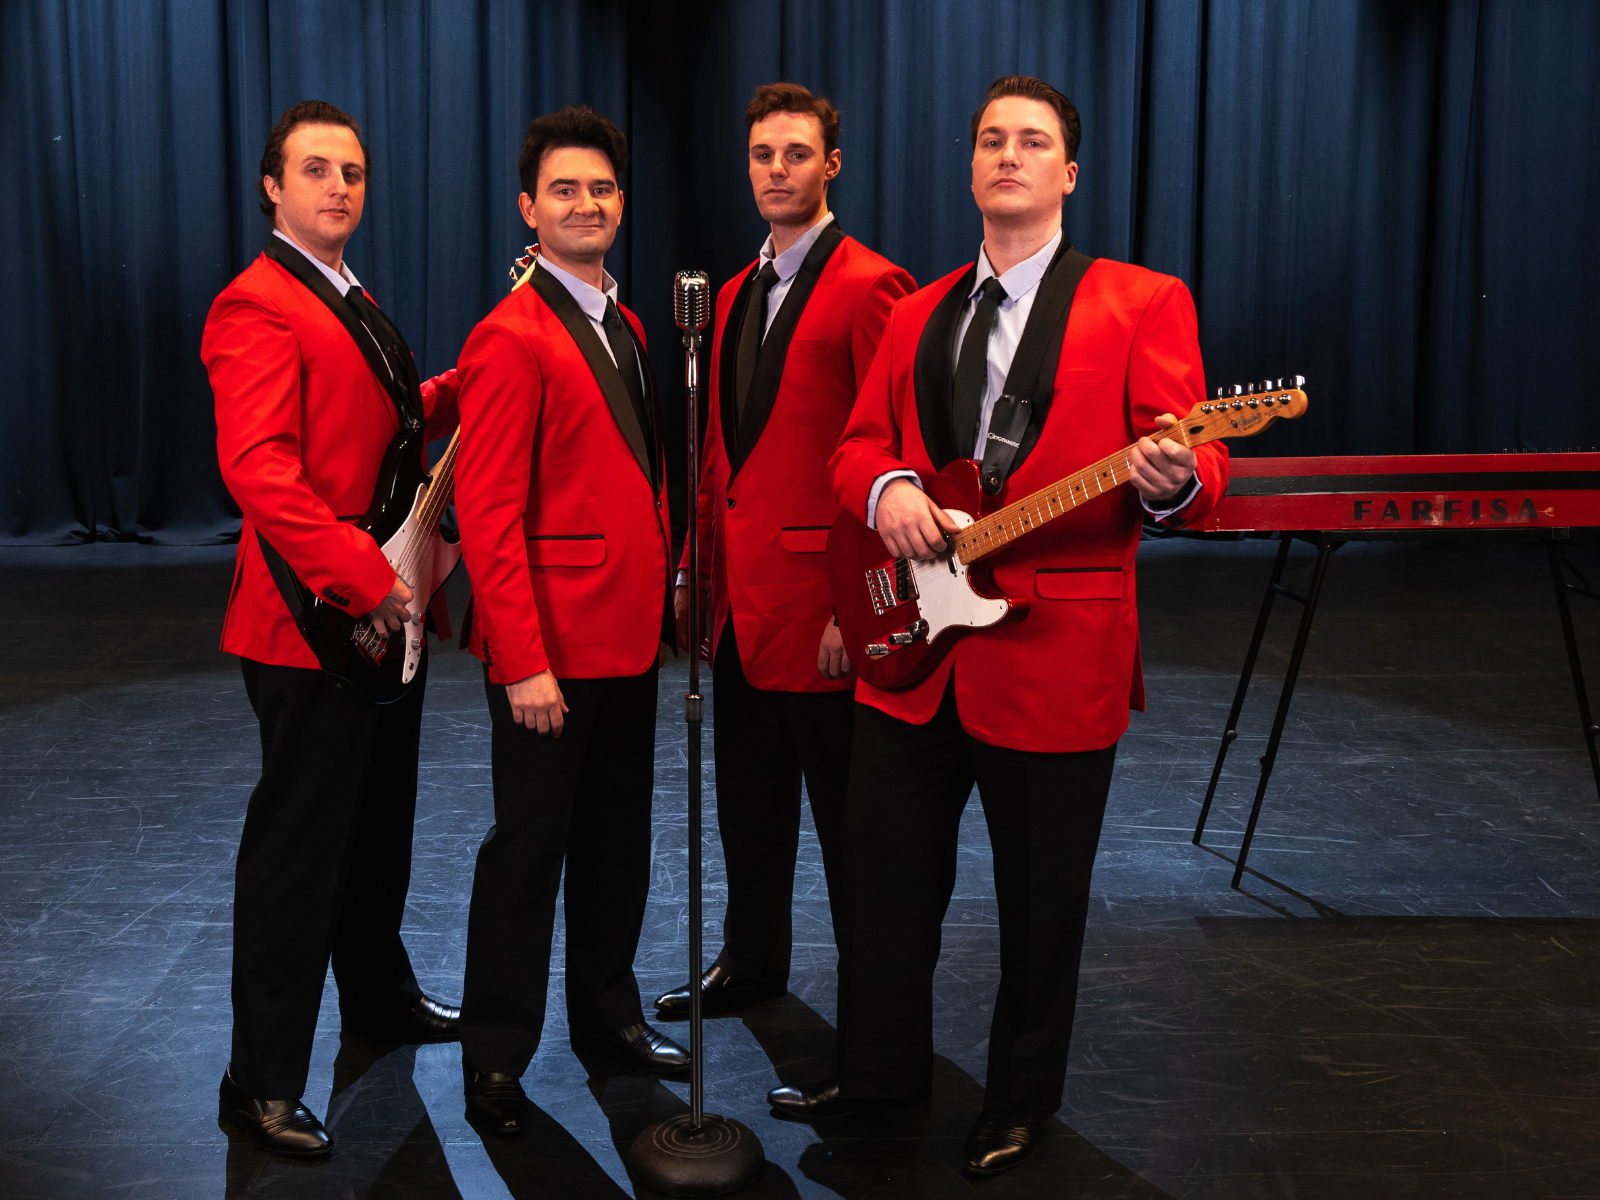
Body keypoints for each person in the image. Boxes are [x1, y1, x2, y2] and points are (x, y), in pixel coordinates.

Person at [767, 76, 1230, 1177]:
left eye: (1030, 141)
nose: (1006, 155)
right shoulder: (917, 311)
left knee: (1038, 901)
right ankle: (878, 1075)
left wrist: (1174, 480)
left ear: (1067, 172)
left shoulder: (1141, 302)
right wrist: (887, 490)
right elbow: (853, 447)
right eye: (989, 140)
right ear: (971, 166)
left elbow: (1201, 465)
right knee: (881, 885)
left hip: (1054, 655)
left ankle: (1020, 1102)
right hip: (913, 655)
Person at [203, 100, 462, 1160]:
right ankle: (259, 1082)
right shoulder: (255, 304)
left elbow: (380, 425)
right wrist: (366, 579)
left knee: (376, 829)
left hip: (380, 610)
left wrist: (461, 387)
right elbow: (261, 470)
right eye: (316, 170)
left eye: (352, 171)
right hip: (311, 618)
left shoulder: (344, 294)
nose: (339, 187)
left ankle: (378, 999)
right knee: (298, 855)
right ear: (273, 186)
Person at [653, 83, 915, 1019]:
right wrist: (693, 567)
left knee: (851, 832)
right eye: (763, 155)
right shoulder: (731, 294)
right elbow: (718, 456)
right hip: (740, 608)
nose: (777, 170)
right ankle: (751, 962)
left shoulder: (875, 286)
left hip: (826, 613)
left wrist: (859, 605)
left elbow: (891, 456)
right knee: (749, 809)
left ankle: (870, 1020)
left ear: (830, 165)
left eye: (796, 154)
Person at [451, 105, 686, 1138]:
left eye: (599, 188)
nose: (584, 204)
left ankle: (607, 1017)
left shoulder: (622, 325)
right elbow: (487, 512)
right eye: (563, 190)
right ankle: (496, 1059)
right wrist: (521, 662)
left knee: (615, 846)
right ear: (528, 208)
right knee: (527, 855)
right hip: (549, 652)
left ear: (620, 203)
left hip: (627, 639)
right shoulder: (509, 336)